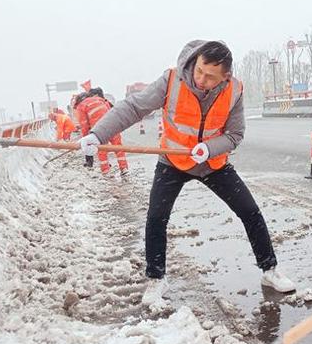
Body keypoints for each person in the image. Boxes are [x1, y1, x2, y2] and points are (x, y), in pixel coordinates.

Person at [79, 40, 295, 303]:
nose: (201, 79)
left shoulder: (234, 91)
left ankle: (269, 270)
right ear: (196, 61)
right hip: (173, 161)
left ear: (225, 77)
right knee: (156, 217)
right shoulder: (172, 80)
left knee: (249, 211)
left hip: (212, 163)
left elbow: (235, 134)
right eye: (200, 71)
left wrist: (209, 148)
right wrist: (97, 133)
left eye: (210, 77)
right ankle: (156, 279)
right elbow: (134, 107)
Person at [74, 87, 129, 175]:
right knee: (118, 147)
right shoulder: (100, 99)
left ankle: (106, 171)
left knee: (102, 149)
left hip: (100, 129)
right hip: (113, 124)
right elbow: (110, 110)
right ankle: (124, 168)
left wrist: (86, 140)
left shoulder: (81, 106)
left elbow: (84, 125)